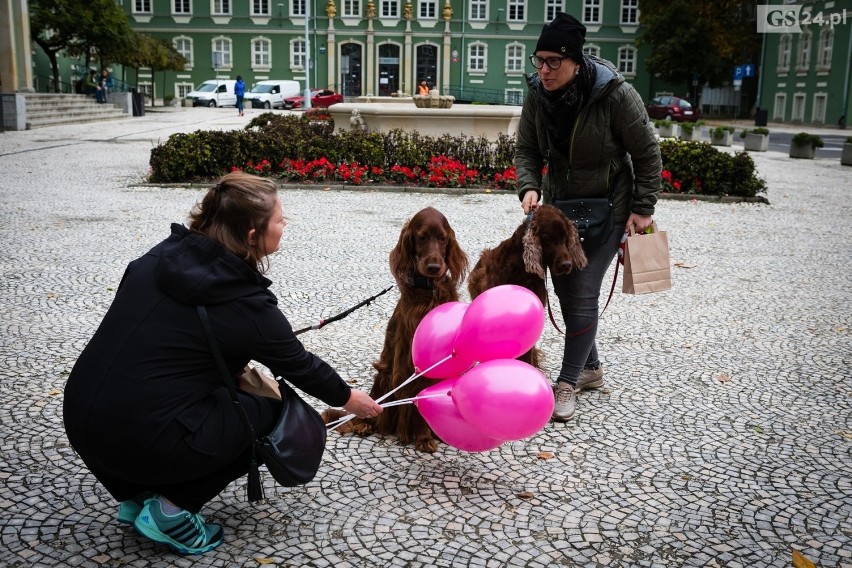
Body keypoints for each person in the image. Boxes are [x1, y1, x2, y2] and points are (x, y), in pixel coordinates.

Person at [63, 172, 383, 555]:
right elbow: (299, 364)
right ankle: (170, 512)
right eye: (280, 219)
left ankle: (136, 498)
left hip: (82, 419)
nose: (285, 225)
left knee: (197, 393)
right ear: (252, 235)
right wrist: (350, 399)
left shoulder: (158, 256)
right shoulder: (242, 301)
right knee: (269, 416)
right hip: (138, 439)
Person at [515, 12, 661, 421]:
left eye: (553, 61)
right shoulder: (537, 95)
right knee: (566, 293)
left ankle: (567, 381)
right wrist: (529, 186)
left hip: (610, 210)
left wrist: (643, 208)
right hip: (561, 215)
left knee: (580, 293)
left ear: (576, 62)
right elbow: (527, 149)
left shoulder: (615, 94)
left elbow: (647, 153)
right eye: (538, 60)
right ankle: (591, 368)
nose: (543, 70)